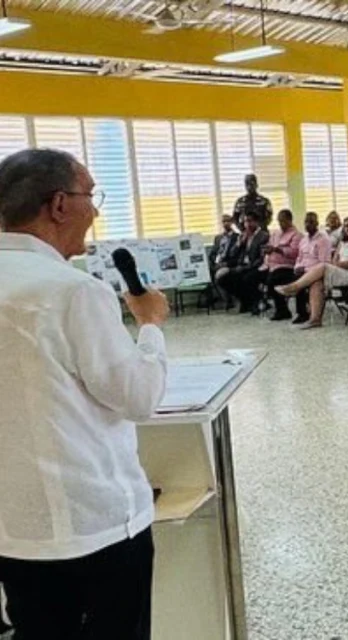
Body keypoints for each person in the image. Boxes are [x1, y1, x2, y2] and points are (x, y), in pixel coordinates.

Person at [0, 148, 170, 639]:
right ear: (58, 205)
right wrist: (150, 326)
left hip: (17, 532)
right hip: (97, 527)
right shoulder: (73, 291)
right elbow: (138, 397)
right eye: (91, 196)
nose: (95, 211)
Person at [276, 215, 348, 329]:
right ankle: (315, 319)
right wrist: (335, 265)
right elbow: (334, 259)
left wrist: (335, 266)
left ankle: (294, 287)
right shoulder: (342, 243)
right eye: (346, 226)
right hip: (340, 272)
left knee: (323, 266)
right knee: (316, 282)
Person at [240, 209, 301, 320]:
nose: (280, 224)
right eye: (279, 221)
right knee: (249, 278)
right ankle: (257, 303)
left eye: (283, 221)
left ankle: (282, 310)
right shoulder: (275, 233)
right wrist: (266, 250)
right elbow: (269, 244)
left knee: (272, 280)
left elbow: (294, 253)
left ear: (289, 220)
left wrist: (278, 250)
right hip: (269, 265)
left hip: (286, 266)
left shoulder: (296, 235)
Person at [280, 212, 332, 326]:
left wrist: (307, 270)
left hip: (316, 272)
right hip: (302, 269)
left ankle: (304, 314)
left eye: (311, 222)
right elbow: (299, 257)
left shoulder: (323, 240)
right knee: (286, 276)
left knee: (301, 280)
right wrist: (297, 267)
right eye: (306, 222)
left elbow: (324, 262)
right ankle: (296, 312)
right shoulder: (303, 240)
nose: (308, 224)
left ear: (317, 223)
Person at [209, 214, 239, 306]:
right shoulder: (218, 238)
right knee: (209, 272)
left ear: (232, 222)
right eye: (224, 221)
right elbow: (213, 253)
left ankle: (228, 300)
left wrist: (225, 264)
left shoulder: (237, 237)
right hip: (217, 262)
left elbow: (237, 256)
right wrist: (214, 262)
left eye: (228, 221)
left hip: (228, 264)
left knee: (220, 276)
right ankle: (223, 298)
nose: (226, 223)